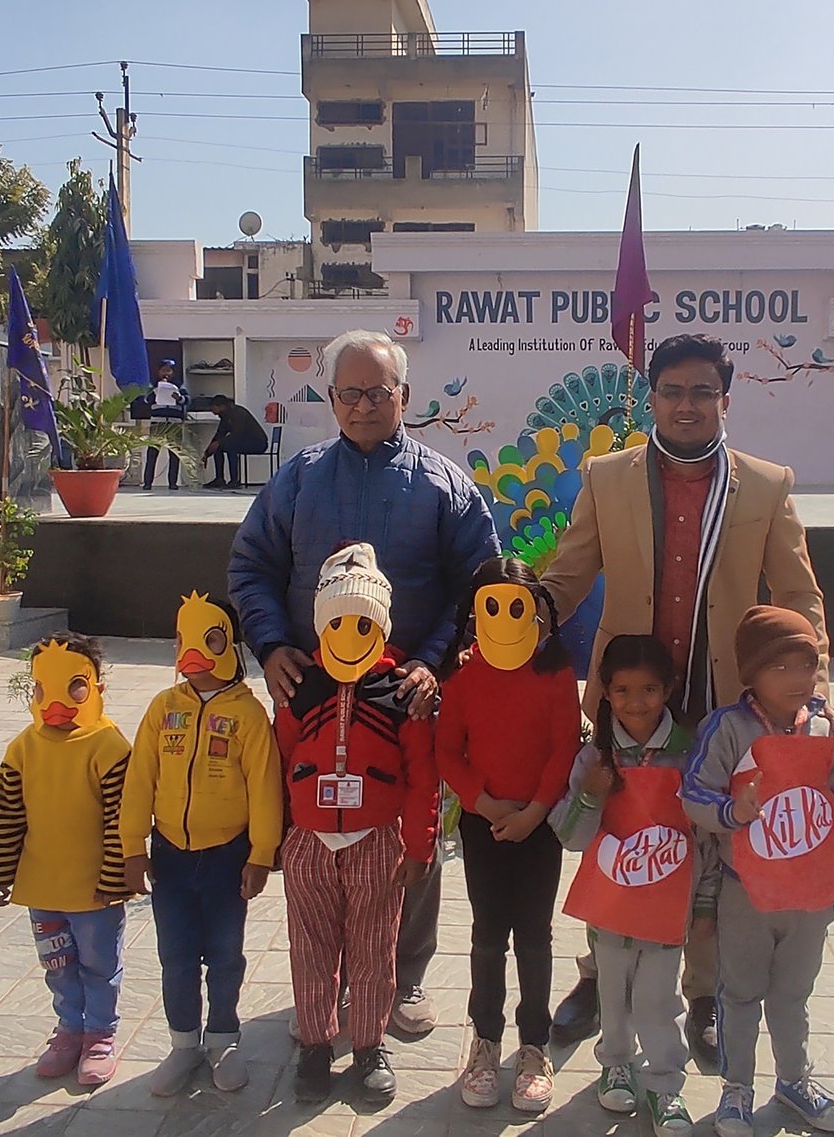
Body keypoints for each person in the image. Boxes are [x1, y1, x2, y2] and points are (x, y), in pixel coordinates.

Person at [542, 331, 830, 1058]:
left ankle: (702, 995)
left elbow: (799, 593)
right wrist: (516, 622)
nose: (686, 405)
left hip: (721, 701)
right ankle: (596, 975)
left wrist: (813, 690)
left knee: (709, 849)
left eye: (703, 391)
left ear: (725, 400)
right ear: (652, 399)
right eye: (672, 391)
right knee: (619, 837)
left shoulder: (766, 484)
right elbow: (568, 576)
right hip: (631, 700)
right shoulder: (607, 478)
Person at [229, 328, 501, 1034]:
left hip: (405, 699)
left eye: (378, 391)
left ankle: (403, 980)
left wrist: (430, 664)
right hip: (313, 697)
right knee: (320, 832)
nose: (362, 405)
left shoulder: (444, 485)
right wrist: (272, 645)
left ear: (403, 396)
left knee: (410, 830)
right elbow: (251, 568)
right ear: (331, 399)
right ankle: (327, 982)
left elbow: (479, 587)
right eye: (348, 392)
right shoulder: (297, 478)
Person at [274, 543, 441, 1104]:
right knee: (311, 949)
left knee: (374, 949)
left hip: (376, 841)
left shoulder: (399, 692)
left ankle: (369, 1043)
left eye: (363, 621)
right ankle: (317, 1045)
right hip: (309, 844)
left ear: (381, 624)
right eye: (338, 621)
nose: (351, 632)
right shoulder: (301, 686)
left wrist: (419, 845)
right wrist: (274, 838)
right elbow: (278, 761)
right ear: (320, 623)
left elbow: (422, 775)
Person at [681, 607, 834, 1135]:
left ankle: (793, 1079)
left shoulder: (826, 725)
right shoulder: (728, 729)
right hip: (746, 892)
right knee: (739, 993)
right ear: (750, 674)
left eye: (806, 664)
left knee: (794, 993)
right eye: (779, 668)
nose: (798, 679)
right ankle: (736, 1088)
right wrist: (733, 813)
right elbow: (693, 794)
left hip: (809, 894)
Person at [551, 635, 717, 1136]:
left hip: (668, 910)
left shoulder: (691, 754)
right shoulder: (593, 758)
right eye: (622, 690)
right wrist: (591, 795)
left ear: (668, 689)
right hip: (610, 911)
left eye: (649, 689)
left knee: (658, 999)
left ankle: (666, 1085)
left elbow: (706, 839)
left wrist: (705, 902)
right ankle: (615, 1062)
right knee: (614, 994)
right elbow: (570, 836)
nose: (636, 702)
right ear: (605, 693)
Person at [120, 593, 283, 1097]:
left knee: (225, 954)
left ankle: (224, 1039)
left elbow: (264, 786)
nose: (194, 651)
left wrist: (261, 854)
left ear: (229, 646)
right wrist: (131, 846)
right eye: (184, 639)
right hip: (169, 854)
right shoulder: (162, 709)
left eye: (208, 639)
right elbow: (139, 779)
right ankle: (184, 1043)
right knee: (177, 955)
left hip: (227, 856)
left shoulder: (248, 715)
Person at [438, 558, 582, 1114]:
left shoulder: (554, 676)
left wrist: (535, 811)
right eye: (491, 606)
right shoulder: (463, 678)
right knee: (487, 934)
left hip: (538, 827)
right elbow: (448, 749)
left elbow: (563, 745)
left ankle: (533, 1046)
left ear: (539, 614)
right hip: (485, 826)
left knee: (535, 936)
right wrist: (484, 801)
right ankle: (485, 1040)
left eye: (518, 607)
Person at [0, 633, 133, 1087]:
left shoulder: (109, 748)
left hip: (93, 890)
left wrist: (114, 879)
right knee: (58, 964)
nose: (57, 703)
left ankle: (100, 1033)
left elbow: (120, 822)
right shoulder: (23, 748)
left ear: (98, 689)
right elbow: (6, 813)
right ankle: (68, 1028)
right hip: (42, 887)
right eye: (42, 689)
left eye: (75, 688)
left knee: (99, 963)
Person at [202, 395, 269, 489]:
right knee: (219, 448)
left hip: (257, 443)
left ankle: (234, 481)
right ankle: (219, 479)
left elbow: (237, 434)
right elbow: (220, 434)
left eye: (213, 408)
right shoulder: (225, 415)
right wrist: (207, 453)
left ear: (221, 406)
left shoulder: (238, 413)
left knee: (230, 446)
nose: (212, 411)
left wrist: (219, 443)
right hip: (241, 441)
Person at [143, 359, 187, 491]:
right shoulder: (153, 385)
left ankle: (173, 483)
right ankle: (147, 483)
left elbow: (187, 400)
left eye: (169, 370)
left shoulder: (179, 385)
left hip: (174, 423)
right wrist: (156, 392)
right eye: (164, 370)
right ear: (159, 372)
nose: (166, 373)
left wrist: (179, 398)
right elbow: (146, 400)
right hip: (158, 422)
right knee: (152, 453)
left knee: (174, 454)